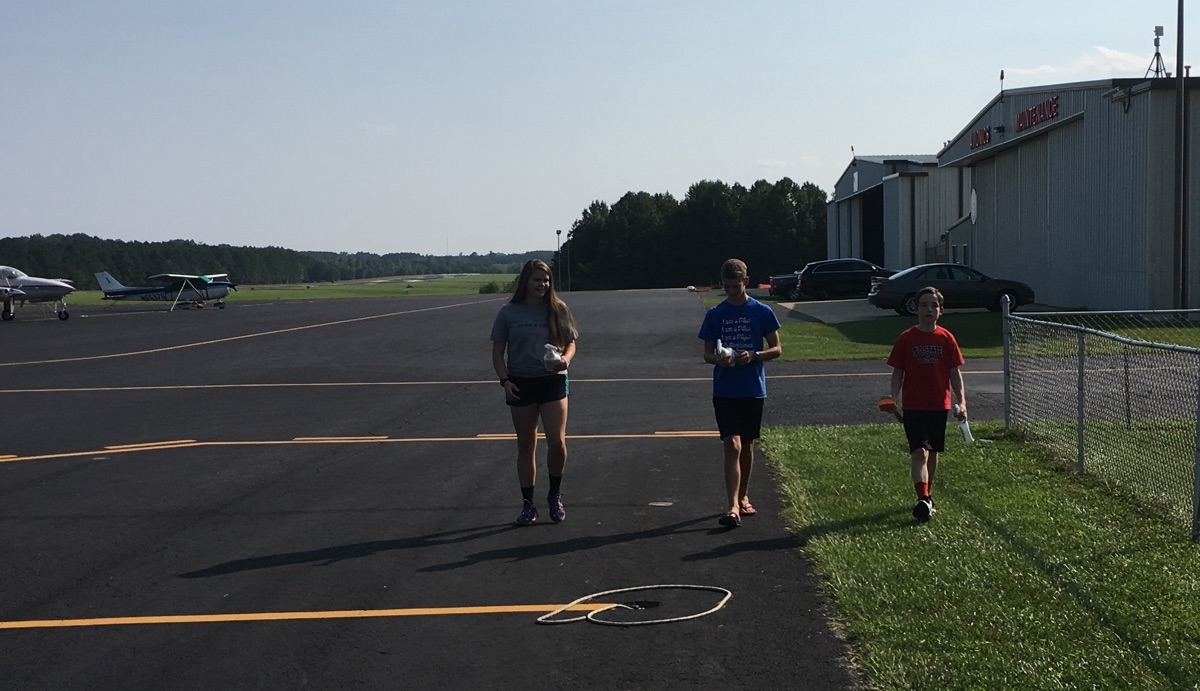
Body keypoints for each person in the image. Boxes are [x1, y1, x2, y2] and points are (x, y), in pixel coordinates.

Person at [491, 259, 578, 526]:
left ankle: (554, 495)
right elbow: (497, 353)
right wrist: (505, 380)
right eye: (537, 280)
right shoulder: (508, 312)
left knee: (556, 442)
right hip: (521, 383)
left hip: (552, 380)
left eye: (546, 280)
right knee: (526, 444)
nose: (543, 285)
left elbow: (571, 343)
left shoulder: (557, 309)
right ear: (525, 282)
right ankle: (528, 505)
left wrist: (566, 360)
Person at [697, 258, 782, 528]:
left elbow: (777, 348)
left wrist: (754, 355)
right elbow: (707, 354)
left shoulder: (761, 311)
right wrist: (719, 359)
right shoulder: (715, 314)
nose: (731, 290)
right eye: (727, 286)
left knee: (746, 444)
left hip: (752, 387)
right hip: (725, 388)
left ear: (746, 282)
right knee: (731, 444)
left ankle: (743, 495)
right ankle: (732, 505)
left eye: (736, 286)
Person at [886, 286, 967, 523]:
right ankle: (922, 498)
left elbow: (955, 373)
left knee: (931, 452)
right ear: (916, 309)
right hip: (914, 405)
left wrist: (961, 402)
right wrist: (893, 397)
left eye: (934, 305)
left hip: (939, 405)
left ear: (940, 311)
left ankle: (927, 497)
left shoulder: (946, 338)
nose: (929, 309)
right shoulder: (907, 338)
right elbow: (897, 373)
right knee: (919, 450)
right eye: (924, 305)